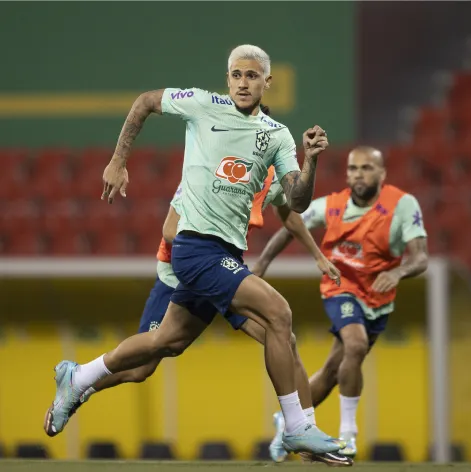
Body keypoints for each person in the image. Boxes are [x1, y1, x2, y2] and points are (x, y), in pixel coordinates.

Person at [44, 44, 343, 457]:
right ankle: (298, 428)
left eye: (252, 76)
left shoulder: (275, 138)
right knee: (279, 316)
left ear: (266, 83)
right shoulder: (203, 106)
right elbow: (147, 101)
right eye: (236, 74)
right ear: (227, 78)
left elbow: (295, 202)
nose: (243, 82)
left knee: (166, 342)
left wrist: (310, 162)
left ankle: (77, 379)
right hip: (192, 252)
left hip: (226, 257)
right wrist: (118, 160)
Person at [252, 146, 429, 459]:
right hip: (340, 286)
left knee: (335, 369)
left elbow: (421, 257)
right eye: (353, 169)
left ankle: (290, 424)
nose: (358, 174)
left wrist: (399, 272)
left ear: (381, 174)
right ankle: (349, 433)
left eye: (366, 168)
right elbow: (291, 225)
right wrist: (262, 264)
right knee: (356, 345)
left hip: (378, 296)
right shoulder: (331, 205)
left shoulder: (402, 205)